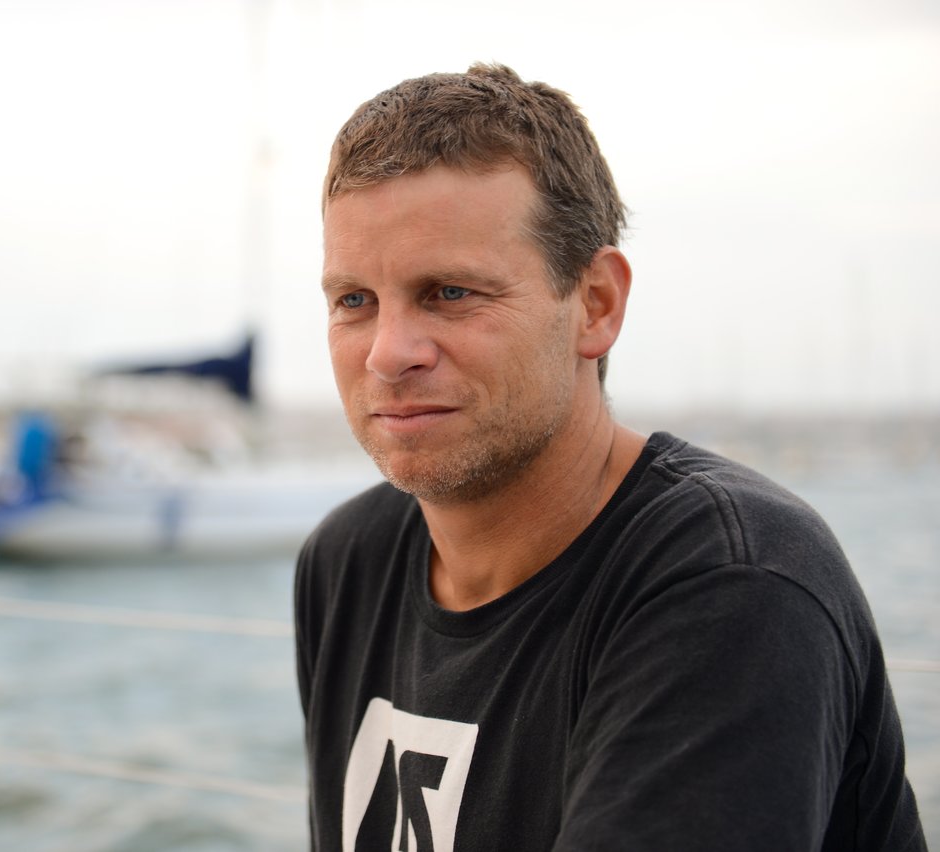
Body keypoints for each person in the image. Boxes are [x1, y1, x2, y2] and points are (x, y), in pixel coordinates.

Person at [294, 63, 926, 851]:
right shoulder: (349, 563)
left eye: (450, 292)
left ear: (595, 305)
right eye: (354, 301)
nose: (389, 353)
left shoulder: (733, 584)